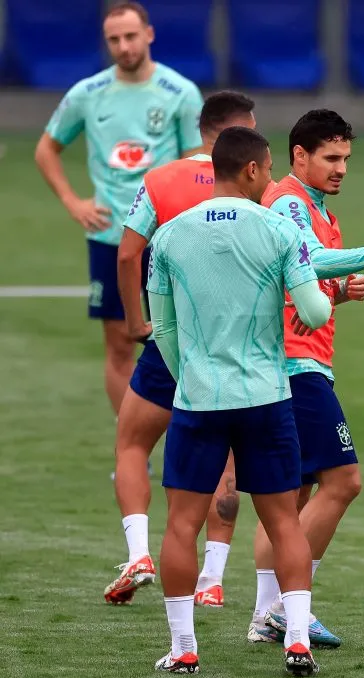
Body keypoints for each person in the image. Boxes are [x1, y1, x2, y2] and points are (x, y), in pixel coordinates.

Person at [148, 127, 330, 676]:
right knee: (284, 523)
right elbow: (314, 313)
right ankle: (296, 641)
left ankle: (184, 648)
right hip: (266, 397)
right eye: (269, 169)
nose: (271, 179)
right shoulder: (280, 230)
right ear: (252, 169)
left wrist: (189, 378)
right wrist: (328, 296)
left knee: (182, 525)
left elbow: (163, 329)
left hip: (199, 399)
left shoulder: (168, 236)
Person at [247, 109, 364, 648]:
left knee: (289, 496)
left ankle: (264, 614)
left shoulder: (314, 206)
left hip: (288, 362)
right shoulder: (291, 202)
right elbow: (311, 259)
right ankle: (286, 607)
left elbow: (292, 278)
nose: (341, 169)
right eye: (331, 157)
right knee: (343, 481)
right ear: (299, 155)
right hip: (296, 367)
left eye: (346, 159)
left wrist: (337, 292)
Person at [103, 91, 259, 607]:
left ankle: (138, 554)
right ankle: (212, 581)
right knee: (226, 462)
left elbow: (128, 255)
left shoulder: (160, 180)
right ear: (242, 131)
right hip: (234, 348)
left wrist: (135, 322)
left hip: (171, 339)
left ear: (202, 127)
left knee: (131, 444)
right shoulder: (260, 182)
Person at [34, 1, 203, 418]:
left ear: (149, 34)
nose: (124, 46)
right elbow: (46, 149)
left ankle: (190, 436)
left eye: (130, 36)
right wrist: (73, 202)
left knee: (186, 340)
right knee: (119, 343)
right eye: (114, 39)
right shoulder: (87, 94)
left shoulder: (180, 92)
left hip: (166, 239)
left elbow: (196, 163)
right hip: (110, 237)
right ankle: (131, 442)